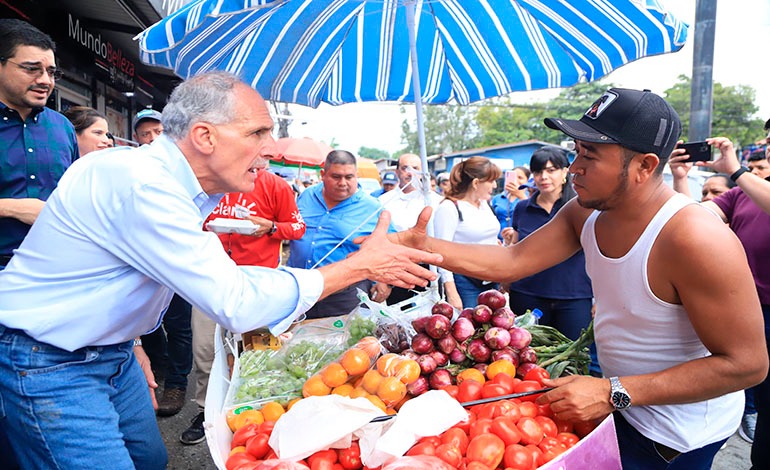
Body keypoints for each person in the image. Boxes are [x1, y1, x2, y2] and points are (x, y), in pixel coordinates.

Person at [0, 71, 440, 469]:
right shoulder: (143, 184)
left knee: (150, 459)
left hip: (108, 351)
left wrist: (128, 341)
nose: (269, 148)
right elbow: (236, 300)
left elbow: (107, 275)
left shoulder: (169, 185)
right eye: (257, 132)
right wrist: (359, 266)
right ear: (204, 136)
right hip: (50, 360)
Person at [394, 88, 768, 469]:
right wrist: (420, 246)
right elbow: (511, 260)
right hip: (620, 411)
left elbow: (748, 364)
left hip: (676, 437)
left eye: (590, 155)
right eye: (576, 151)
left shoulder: (695, 239)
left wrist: (612, 391)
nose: (574, 168)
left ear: (644, 166)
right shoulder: (584, 214)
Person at [181, 157, 305, 445]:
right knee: (205, 350)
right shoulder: (209, 181)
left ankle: (259, 412)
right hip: (209, 280)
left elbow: (297, 228)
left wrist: (270, 227)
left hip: (257, 284)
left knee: (257, 351)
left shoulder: (275, 185)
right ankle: (206, 411)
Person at [0, 18, 79, 470]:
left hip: (54, 279)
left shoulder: (61, 128)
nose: (45, 80)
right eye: (32, 69)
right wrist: (12, 207)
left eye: (51, 71)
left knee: (38, 392)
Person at [670, 135, 770, 462]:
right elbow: (691, 219)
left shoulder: (746, 185)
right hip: (746, 309)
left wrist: (737, 171)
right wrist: (680, 178)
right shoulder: (741, 194)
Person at [501, 148, 594, 372]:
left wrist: (601, 296)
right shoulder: (523, 208)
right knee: (529, 361)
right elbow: (517, 248)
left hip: (574, 296)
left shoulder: (584, 207)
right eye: (538, 171)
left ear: (565, 172)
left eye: (551, 170)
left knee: (574, 361)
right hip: (528, 294)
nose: (544, 177)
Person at [288, 150, 395, 315]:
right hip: (299, 290)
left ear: (356, 175)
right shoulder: (308, 195)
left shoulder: (372, 208)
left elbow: (393, 245)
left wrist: (386, 282)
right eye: (336, 177)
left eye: (349, 177)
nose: (343, 183)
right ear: (323, 175)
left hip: (344, 296)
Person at [433, 156, 501, 310]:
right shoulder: (449, 208)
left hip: (491, 278)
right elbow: (441, 253)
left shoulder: (484, 205)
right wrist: (451, 292)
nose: (495, 185)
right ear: (476, 183)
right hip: (465, 282)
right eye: (491, 181)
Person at [378, 153, 442, 306]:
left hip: (429, 267)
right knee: (398, 312)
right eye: (405, 168)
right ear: (397, 172)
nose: (410, 173)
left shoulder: (435, 201)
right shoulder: (383, 201)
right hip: (396, 267)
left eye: (415, 168)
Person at [490, 165, 530, 240]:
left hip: (520, 240)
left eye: (520, 178)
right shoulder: (497, 198)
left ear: (527, 180)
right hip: (499, 240)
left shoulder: (529, 199)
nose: (516, 180)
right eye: (513, 177)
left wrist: (521, 196)